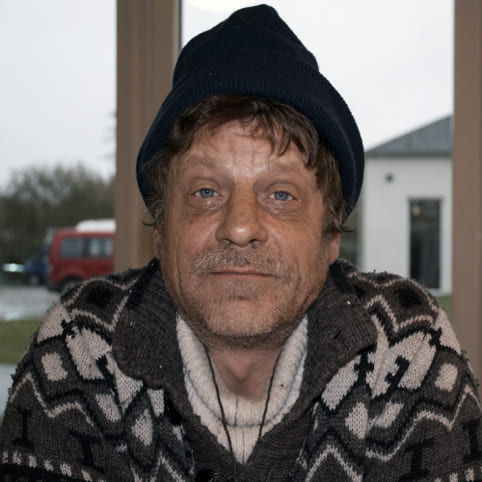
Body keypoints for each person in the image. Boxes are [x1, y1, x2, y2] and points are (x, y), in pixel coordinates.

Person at [1, 5, 481, 481]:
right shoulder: (81, 348)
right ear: (162, 229)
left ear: (330, 235)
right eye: (206, 192)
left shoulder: (406, 346)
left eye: (281, 195)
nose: (239, 226)